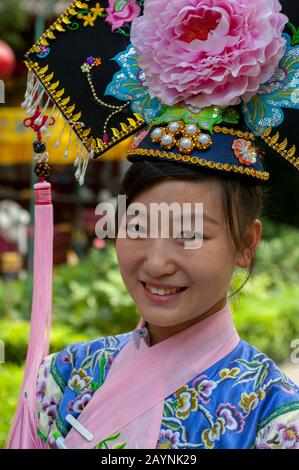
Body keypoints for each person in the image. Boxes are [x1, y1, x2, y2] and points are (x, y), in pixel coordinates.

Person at [7, 0, 299, 449]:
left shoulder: (276, 418)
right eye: (139, 227)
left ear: (246, 244)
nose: (157, 262)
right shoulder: (63, 380)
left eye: (189, 234)